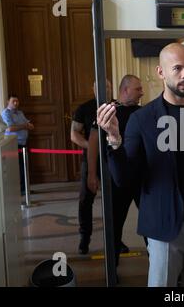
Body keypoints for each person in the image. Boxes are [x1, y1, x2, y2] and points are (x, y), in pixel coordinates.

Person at [96, 43, 184, 287]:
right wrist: (114, 140)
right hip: (165, 227)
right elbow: (124, 178)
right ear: (161, 72)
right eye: (178, 68)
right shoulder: (143, 119)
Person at [87, 75, 144, 264]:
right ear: (126, 89)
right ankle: (112, 268)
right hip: (116, 178)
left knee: (149, 221)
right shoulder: (108, 112)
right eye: (138, 89)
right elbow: (93, 143)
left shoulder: (144, 113)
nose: (142, 92)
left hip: (140, 178)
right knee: (114, 224)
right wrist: (92, 174)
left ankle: (159, 264)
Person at [71, 80, 112, 255]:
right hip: (90, 160)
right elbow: (74, 134)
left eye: (107, 87)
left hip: (112, 160)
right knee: (86, 199)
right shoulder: (85, 108)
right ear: (94, 89)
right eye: (100, 87)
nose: (104, 90)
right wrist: (91, 146)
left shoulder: (116, 106)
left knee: (115, 202)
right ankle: (84, 238)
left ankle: (116, 240)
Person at [1, 95, 35, 196]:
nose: (16, 103)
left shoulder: (20, 113)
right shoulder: (6, 113)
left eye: (17, 101)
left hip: (23, 143)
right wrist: (24, 126)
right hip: (14, 144)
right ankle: (20, 190)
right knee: (18, 168)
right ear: (8, 101)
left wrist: (27, 125)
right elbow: (10, 128)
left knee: (24, 166)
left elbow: (29, 124)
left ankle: (25, 188)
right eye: (13, 101)